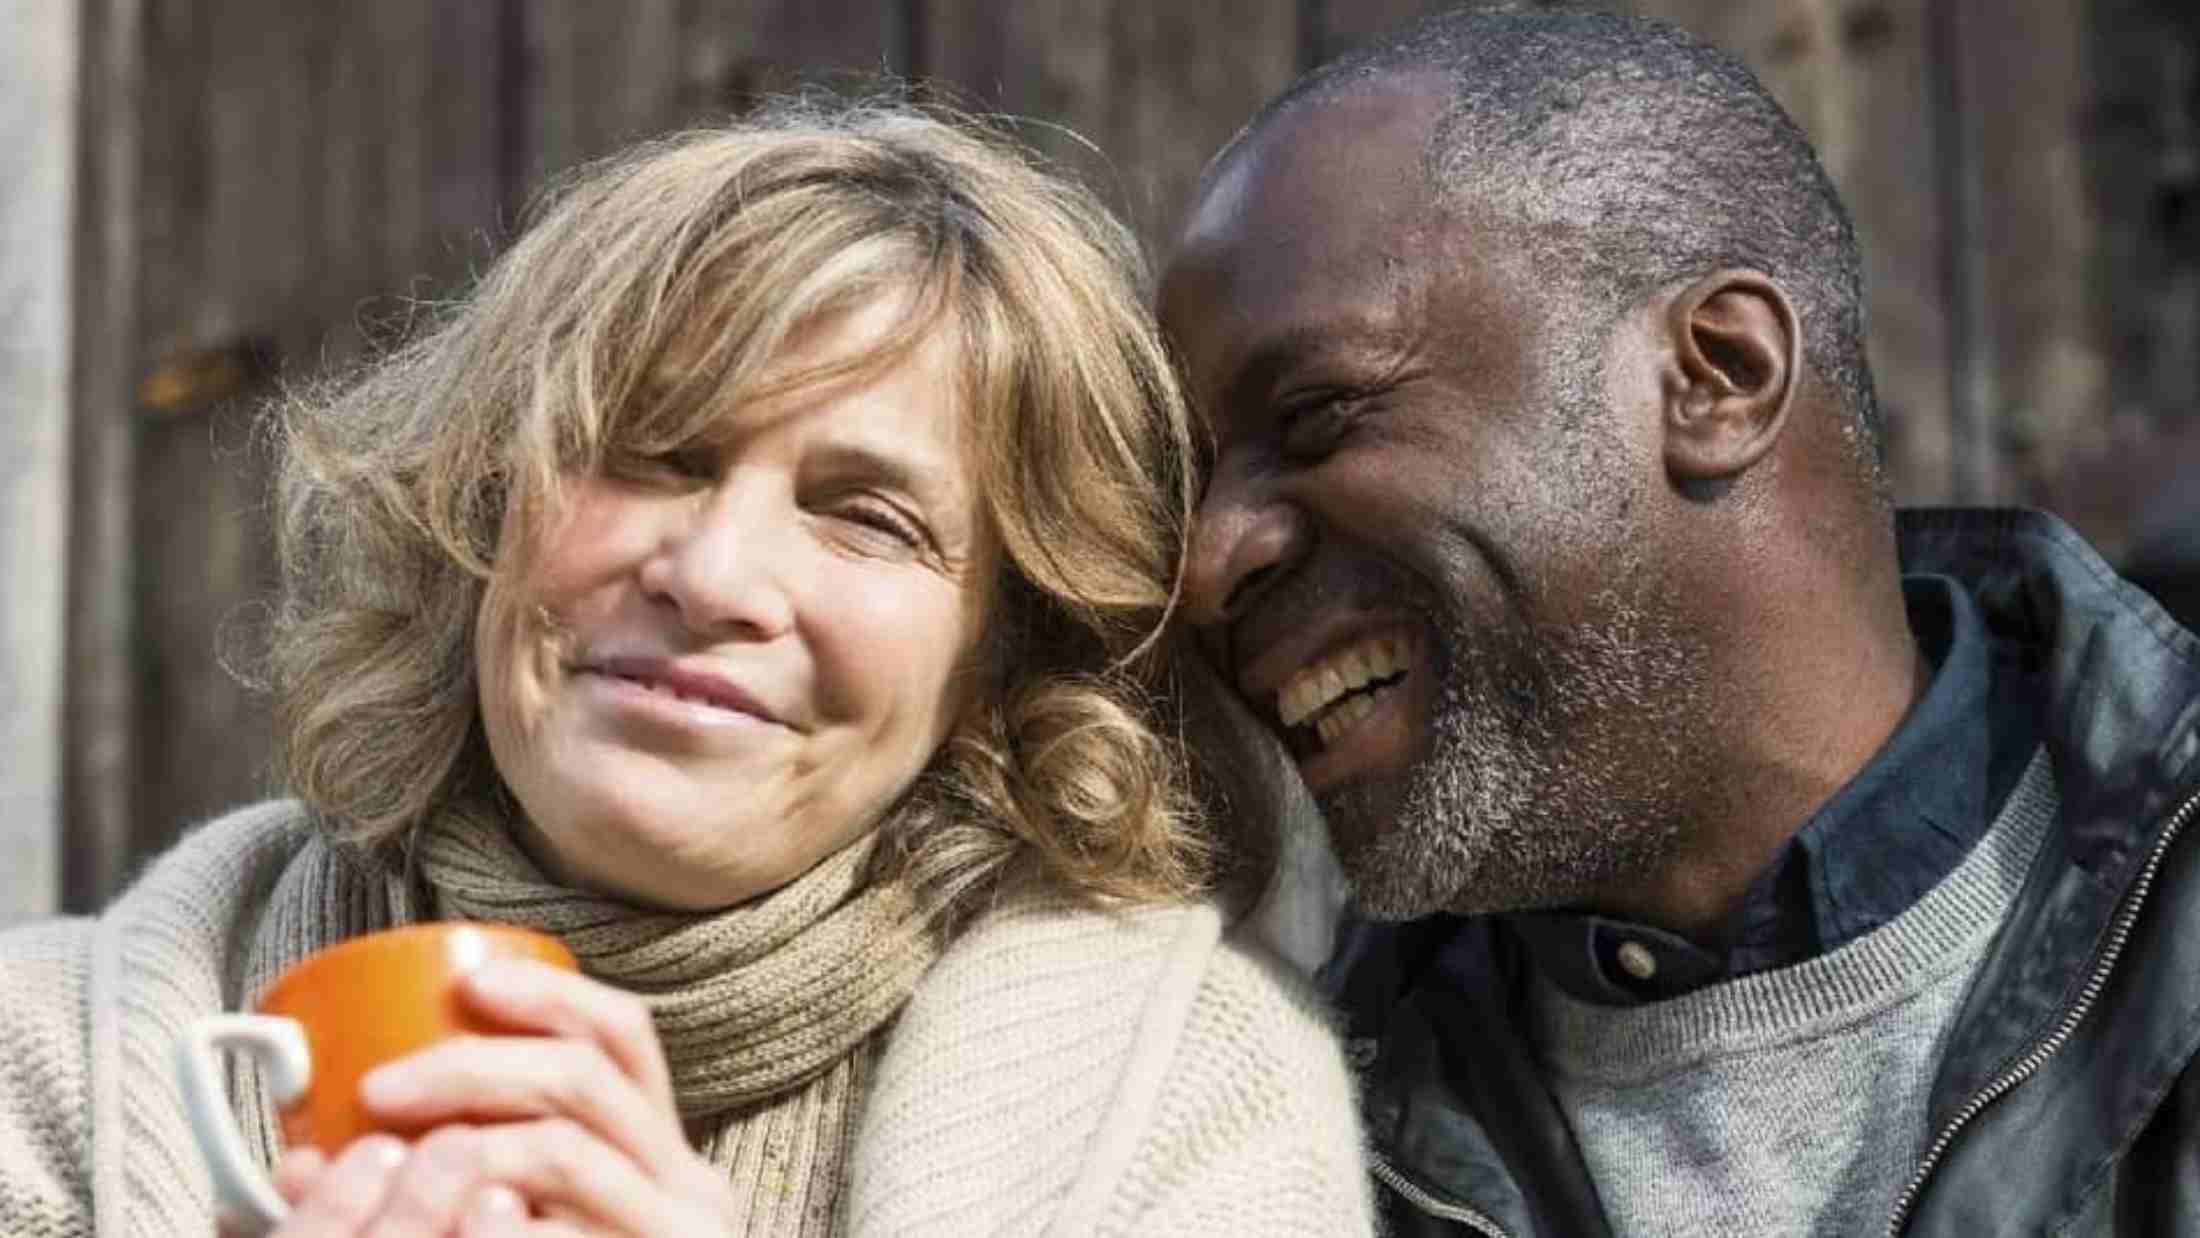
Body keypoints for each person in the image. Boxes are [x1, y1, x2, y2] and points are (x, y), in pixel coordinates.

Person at [0, 97, 1373, 1237]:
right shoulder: (50, 1057)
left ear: (1005, 663)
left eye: (866, 515)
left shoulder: (1190, 1108)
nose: (712, 574)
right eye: (653, 455)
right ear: (482, 512)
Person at [1162, 7, 2200, 1236]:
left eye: (1321, 413)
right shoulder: (1283, 1149)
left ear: (1715, 375)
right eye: (1188, 481)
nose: (1205, 565)